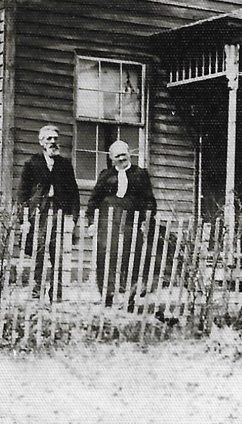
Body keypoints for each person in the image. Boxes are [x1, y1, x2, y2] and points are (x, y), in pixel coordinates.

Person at [87, 140, 157, 308]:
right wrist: (92, 222)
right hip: (107, 224)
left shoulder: (140, 174)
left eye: (123, 154)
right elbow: (94, 200)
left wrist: (146, 221)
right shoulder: (105, 175)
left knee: (130, 258)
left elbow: (149, 200)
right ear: (112, 159)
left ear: (129, 154)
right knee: (106, 258)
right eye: (117, 156)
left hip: (130, 223)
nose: (121, 158)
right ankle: (108, 296)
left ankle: (129, 298)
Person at [16, 125, 80, 300]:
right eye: (49, 139)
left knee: (57, 254)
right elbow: (22, 193)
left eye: (55, 139)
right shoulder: (32, 164)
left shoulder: (65, 165)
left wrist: (73, 219)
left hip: (59, 213)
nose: (53, 142)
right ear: (41, 142)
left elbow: (74, 194)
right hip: (39, 215)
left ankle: (56, 293)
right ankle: (36, 292)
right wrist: (24, 219)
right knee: (38, 252)